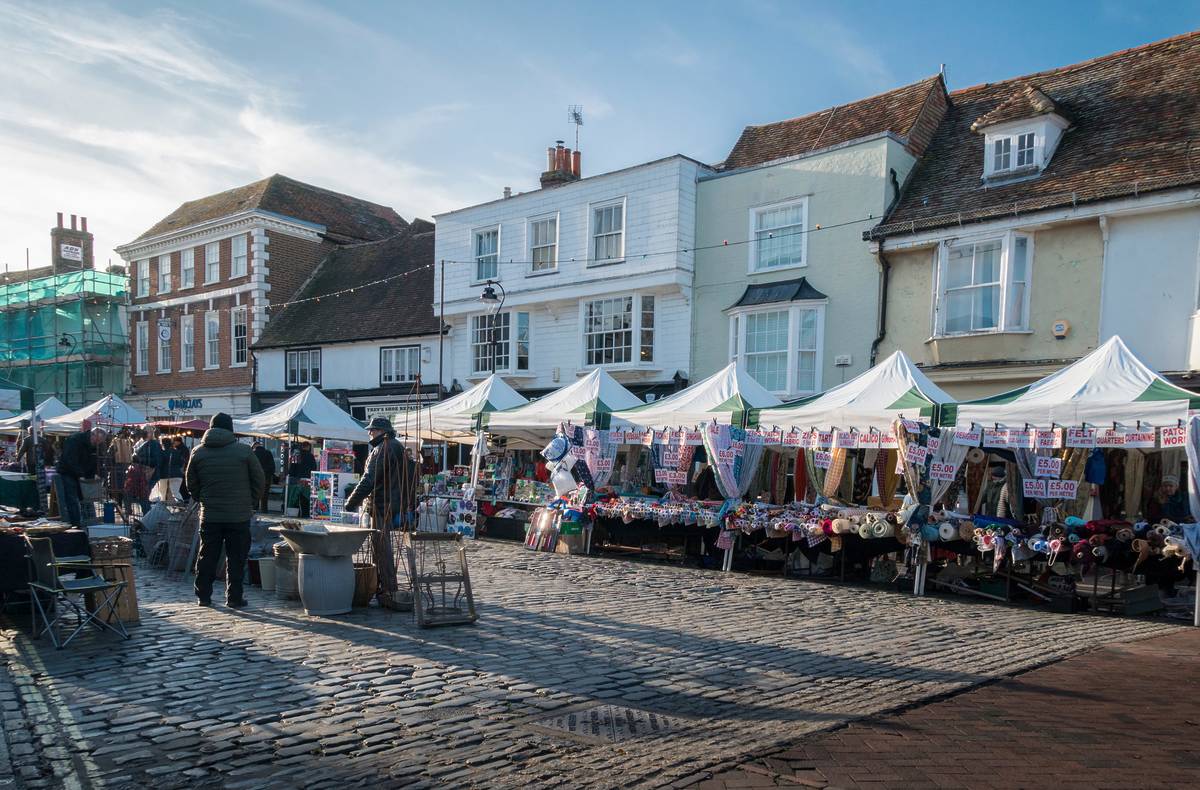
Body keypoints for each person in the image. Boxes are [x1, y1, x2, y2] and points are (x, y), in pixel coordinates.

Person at [186, 412, 265, 608]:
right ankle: (234, 597)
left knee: (207, 556)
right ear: (230, 429)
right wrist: (250, 501)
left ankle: (203, 596)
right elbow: (259, 480)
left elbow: (190, 482)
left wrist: (202, 498)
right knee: (236, 558)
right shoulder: (244, 451)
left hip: (210, 514)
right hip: (238, 516)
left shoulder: (198, 452)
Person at [345, 417, 417, 606]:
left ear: (383, 431)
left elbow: (369, 479)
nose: (370, 432)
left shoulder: (382, 448)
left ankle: (388, 588)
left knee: (381, 546)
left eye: (373, 429)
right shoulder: (397, 447)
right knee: (381, 545)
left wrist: (351, 501)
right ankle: (384, 586)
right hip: (393, 502)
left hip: (382, 504)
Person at [55, 427, 107, 528]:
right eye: (97, 441)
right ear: (93, 435)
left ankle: (89, 523)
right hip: (68, 473)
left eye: (99, 442)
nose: (97, 443)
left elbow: (97, 460)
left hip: (85, 474)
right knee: (72, 499)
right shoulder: (74, 440)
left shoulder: (96, 445)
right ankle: (75, 525)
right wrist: (80, 475)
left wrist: (97, 474)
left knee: (87, 499)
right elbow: (70, 460)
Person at [289, 441, 318, 517]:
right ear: (308, 447)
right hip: (307, 480)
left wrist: (292, 475)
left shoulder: (297, 455)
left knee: (295, 497)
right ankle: (305, 514)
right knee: (306, 497)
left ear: (302, 447)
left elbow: (292, 467)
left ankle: (296, 513)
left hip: (297, 479)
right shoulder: (311, 456)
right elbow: (314, 468)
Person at [251, 440, 276, 512]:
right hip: (266, 478)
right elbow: (272, 467)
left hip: (255, 478)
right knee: (265, 495)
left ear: (254, 446)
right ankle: (264, 510)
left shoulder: (253, 453)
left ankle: (254, 509)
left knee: (255, 494)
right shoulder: (268, 453)